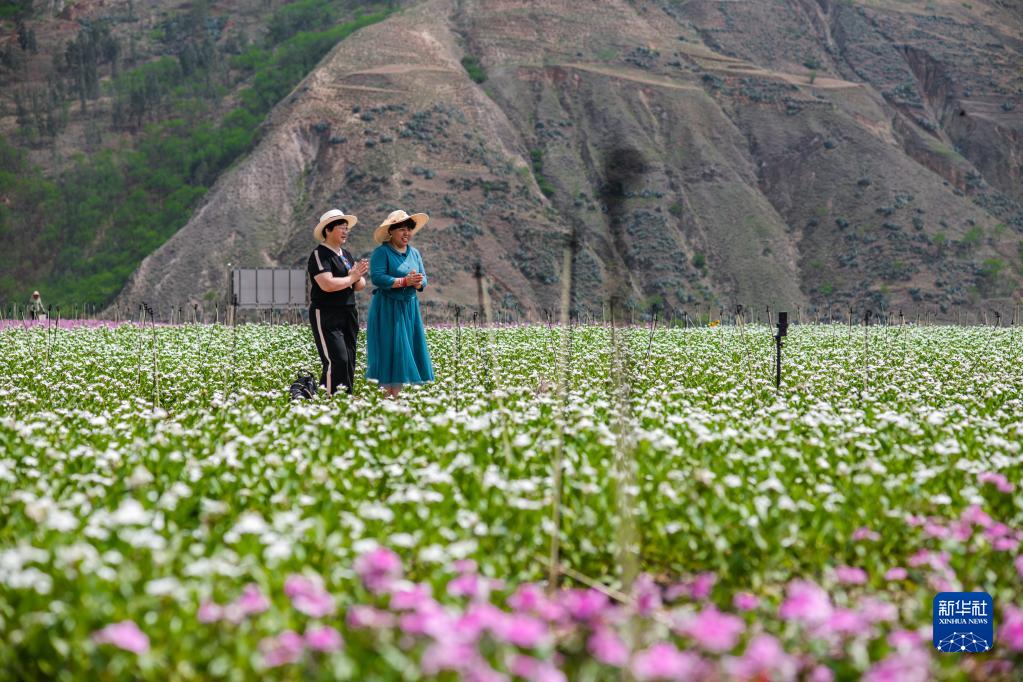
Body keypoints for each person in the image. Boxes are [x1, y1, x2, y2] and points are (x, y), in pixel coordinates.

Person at [366, 209, 434, 398]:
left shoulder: (415, 253)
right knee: (391, 350)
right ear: (391, 232)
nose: (406, 234)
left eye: (409, 229)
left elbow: (424, 279)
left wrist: (418, 281)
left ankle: (399, 396)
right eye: (401, 229)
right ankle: (389, 396)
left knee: (407, 350)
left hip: (409, 307)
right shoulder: (382, 252)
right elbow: (378, 278)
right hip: (388, 307)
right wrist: (404, 281)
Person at [307, 208, 369, 396]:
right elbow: (327, 284)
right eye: (341, 227)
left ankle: (345, 400)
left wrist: (357, 276)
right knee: (337, 359)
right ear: (328, 230)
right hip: (327, 312)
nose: (345, 231)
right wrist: (352, 278)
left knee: (349, 359)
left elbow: (360, 285)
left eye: (346, 228)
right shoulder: (320, 254)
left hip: (348, 312)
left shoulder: (346, 254)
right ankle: (329, 401)